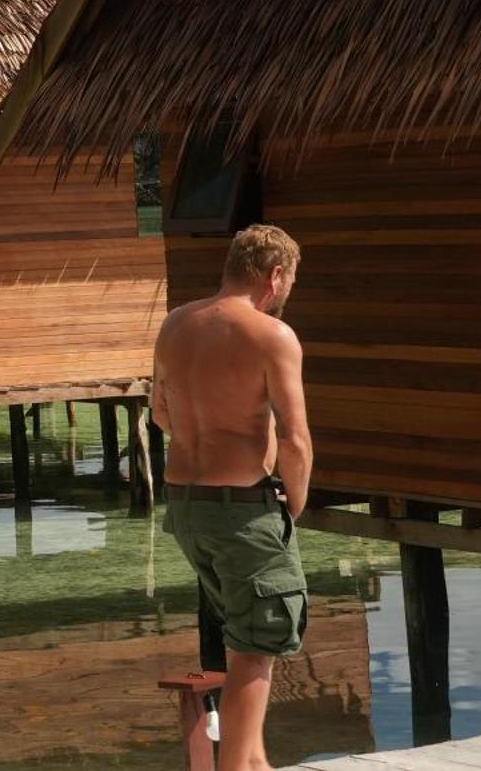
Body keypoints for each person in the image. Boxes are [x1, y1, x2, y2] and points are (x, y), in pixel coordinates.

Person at [153, 223, 311, 771]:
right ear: (275, 275)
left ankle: (256, 763)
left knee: (244, 632)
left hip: (185, 505)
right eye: (289, 280)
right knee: (259, 646)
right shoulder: (272, 335)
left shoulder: (175, 325)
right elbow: (295, 439)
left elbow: (160, 413)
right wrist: (293, 506)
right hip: (243, 507)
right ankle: (236, 769)